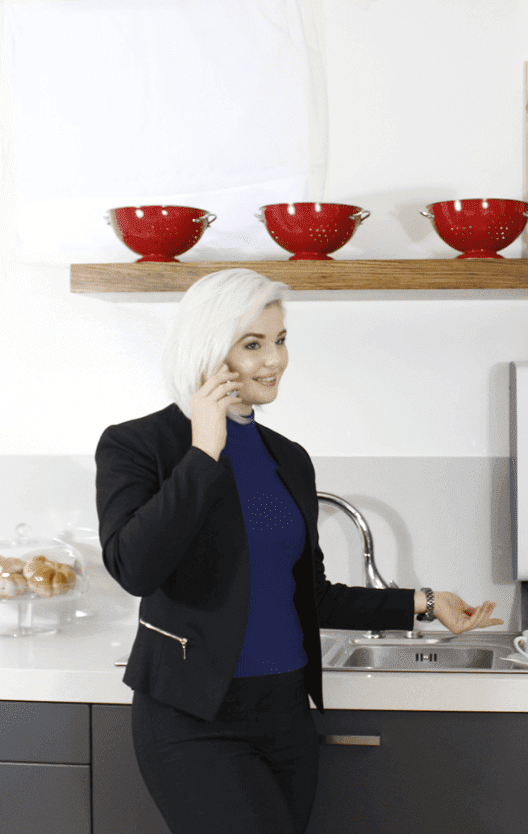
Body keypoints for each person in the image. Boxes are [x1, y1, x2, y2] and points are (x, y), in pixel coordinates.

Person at [95, 268, 502, 834]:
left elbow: (310, 595)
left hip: (284, 717)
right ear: (209, 353)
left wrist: (426, 604)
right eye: (253, 345)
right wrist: (204, 450)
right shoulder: (138, 445)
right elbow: (133, 567)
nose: (275, 361)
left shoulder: (288, 457)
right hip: (193, 718)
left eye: (280, 340)